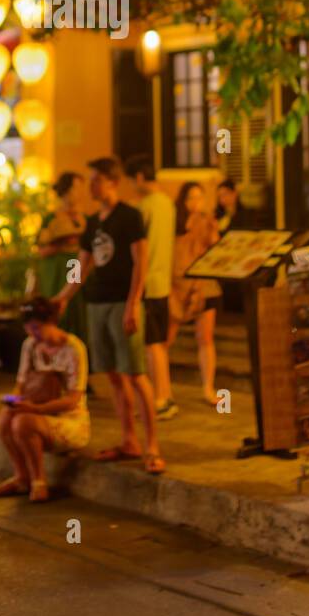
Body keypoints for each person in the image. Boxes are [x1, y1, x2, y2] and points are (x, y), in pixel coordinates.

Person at [56, 156, 164, 474]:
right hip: (97, 302)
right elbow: (83, 264)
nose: (90, 185)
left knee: (135, 372)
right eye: (90, 179)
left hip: (122, 301)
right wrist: (62, 297)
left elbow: (140, 262)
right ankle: (128, 440)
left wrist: (133, 303)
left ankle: (152, 445)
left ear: (112, 182)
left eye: (96, 180)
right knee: (114, 376)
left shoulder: (130, 216)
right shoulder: (93, 222)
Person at [0, 295, 90, 503]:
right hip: (35, 408)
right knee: (4, 418)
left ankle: (39, 481)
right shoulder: (30, 345)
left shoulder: (74, 348)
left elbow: (72, 400)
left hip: (69, 419)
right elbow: (21, 383)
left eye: (36, 328)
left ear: (51, 322)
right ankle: (21, 477)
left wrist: (35, 409)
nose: (32, 334)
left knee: (23, 422)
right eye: (28, 328)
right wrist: (14, 401)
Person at [124, 154, 177, 420]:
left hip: (148, 282)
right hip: (163, 281)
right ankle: (165, 396)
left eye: (131, 181)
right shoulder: (167, 203)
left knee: (152, 343)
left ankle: (160, 398)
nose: (131, 186)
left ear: (140, 178)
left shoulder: (142, 208)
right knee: (159, 344)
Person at [168, 182, 221, 404]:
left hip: (204, 284)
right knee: (165, 339)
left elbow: (217, 248)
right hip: (177, 285)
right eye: (191, 197)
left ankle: (208, 388)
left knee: (205, 338)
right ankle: (161, 388)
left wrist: (211, 228)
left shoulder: (207, 221)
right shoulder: (173, 222)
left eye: (199, 197)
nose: (195, 202)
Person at [34, 173, 88, 344]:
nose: (78, 193)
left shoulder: (85, 218)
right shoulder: (51, 219)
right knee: (57, 306)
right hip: (57, 269)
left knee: (77, 308)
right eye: (75, 188)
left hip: (76, 265)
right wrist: (61, 244)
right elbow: (41, 250)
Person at [213, 178, 257, 314]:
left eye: (225, 194)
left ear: (234, 194)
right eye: (220, 196)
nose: (222, 199)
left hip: (241, 259)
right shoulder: (218, 216)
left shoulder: (245, 215)